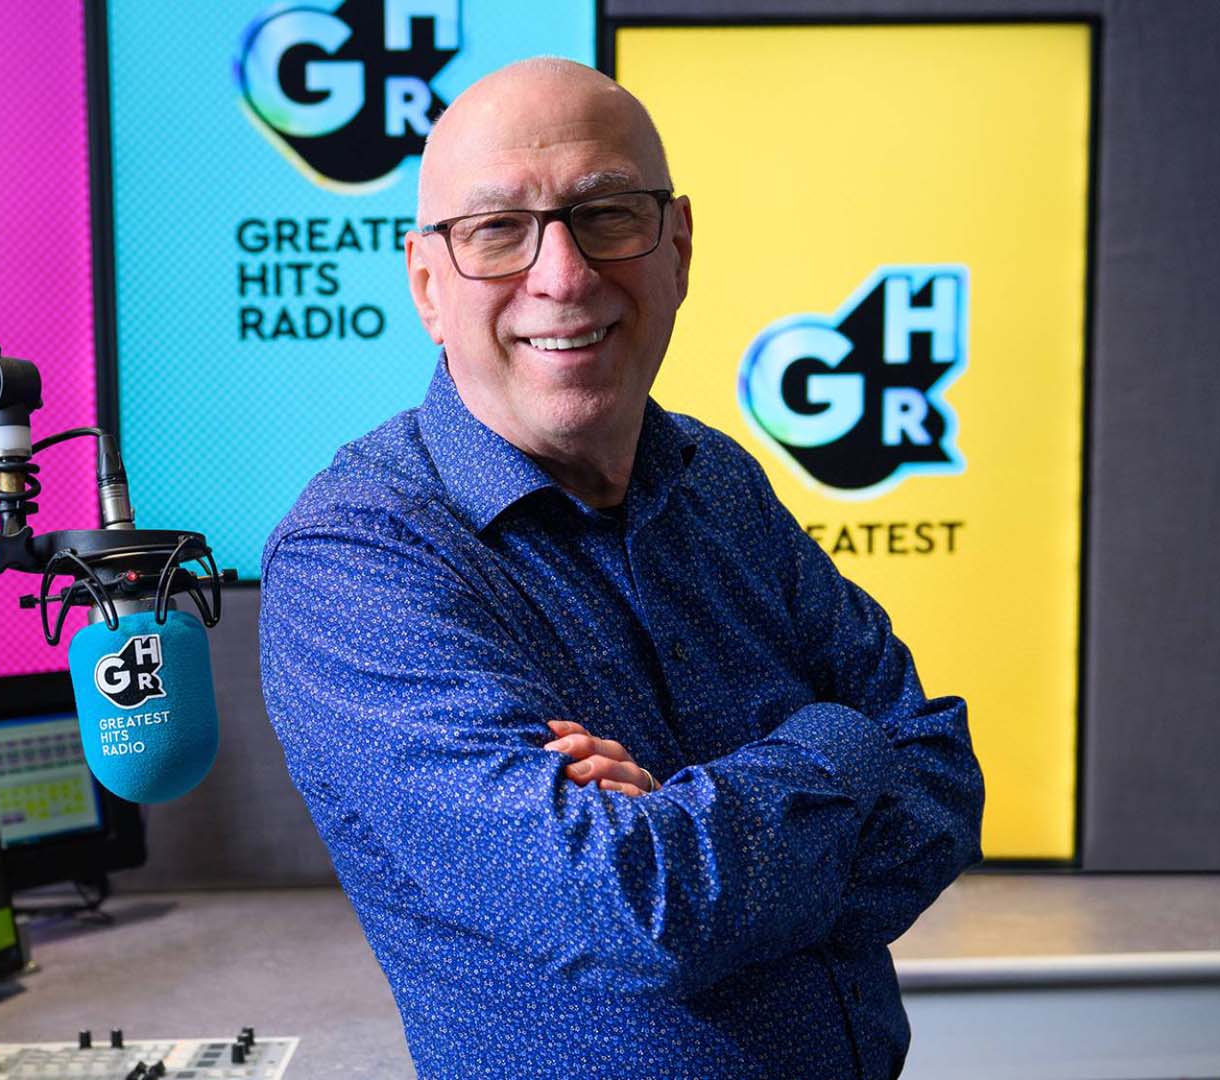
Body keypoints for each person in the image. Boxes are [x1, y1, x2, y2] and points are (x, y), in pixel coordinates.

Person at [258, 58, 983, 1080]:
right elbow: (634, 909)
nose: (563, 275)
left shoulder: (717, 479)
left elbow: (946, 779)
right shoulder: (360, 561)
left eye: (607, 214)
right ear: (427, 283)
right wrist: (841, 743)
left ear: (678, 247)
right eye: (498, 229)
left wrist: (695, 824)